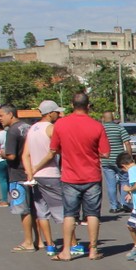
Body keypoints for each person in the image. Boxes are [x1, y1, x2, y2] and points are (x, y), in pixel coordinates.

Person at [44, 92, 109, 261]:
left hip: (70, 176)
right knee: (93, 214)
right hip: (92, 175)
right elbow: (105, 152)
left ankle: (66, 251)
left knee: (69, 214)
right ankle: (93, 250)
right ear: (88, 106)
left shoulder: (61, 124)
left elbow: (53, 149)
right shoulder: (97, 126)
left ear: (72, 105)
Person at [23, 101, 70, 256]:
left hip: (36, 177)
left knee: (41, 211)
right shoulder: (51, 128)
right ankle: (72, 244)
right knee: (63, 211)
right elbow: (54, 151)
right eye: (57, 112)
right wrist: (37, 168)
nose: (59, 115)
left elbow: (25, 155)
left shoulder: (32, 129)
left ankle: (49, 244)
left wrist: (30, 171)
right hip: (50, 173)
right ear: (50, 113)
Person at [0, 104, 38, 251]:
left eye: (1, 115)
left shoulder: (12, 131)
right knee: (35, 209)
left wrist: (2, 154)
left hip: (17, 173)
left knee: (23, 209)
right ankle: (39, 240)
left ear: (11, 115)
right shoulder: (28, 127)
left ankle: (28, 241)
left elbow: (11, 155)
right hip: (32, 171)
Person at [100, 111, 131, 214]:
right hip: (120, 160)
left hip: (106, 160)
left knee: (111, 184)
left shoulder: (101, 129)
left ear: (103, 119)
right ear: (113, 119)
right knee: (124, 181)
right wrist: (129, 157)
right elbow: (127, 143)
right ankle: (125, 204)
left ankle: (114, 206)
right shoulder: (119, 128)